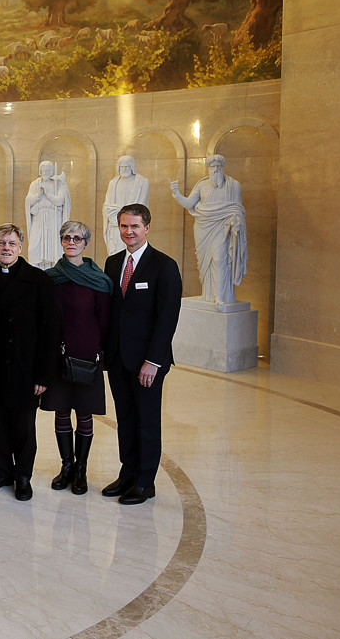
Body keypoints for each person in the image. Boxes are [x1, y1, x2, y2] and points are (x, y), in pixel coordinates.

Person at [102, 204, 182, 505]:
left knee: (146, 421)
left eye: (134, 226)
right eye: (124, 226)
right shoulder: (112, 264)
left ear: (147, 228)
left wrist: (154, 361)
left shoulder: (164, 265)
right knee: (125, 418)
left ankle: (145, 482)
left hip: (148, 362)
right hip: (119, 359)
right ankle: (128, 473)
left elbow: (167, 318)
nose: (129, 232)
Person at [0, 224, 56, 501]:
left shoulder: (39, 280)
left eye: (11, 243)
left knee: (23, 426)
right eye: (1, 243)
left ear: (21, 247)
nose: (6, 248)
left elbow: (50, 331)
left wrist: (43, 375)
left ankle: (23, 475)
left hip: (24, 366)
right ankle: (1, 470)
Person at [40, 220, 112, 495]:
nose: (72, 242)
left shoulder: (99, 281)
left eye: (77, 238)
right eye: (67, 237)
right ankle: (66, 466)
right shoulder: (51, 278)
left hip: (86, 357)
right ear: (61, 241)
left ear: (86, 243)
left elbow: (104, 321)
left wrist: (101, 354)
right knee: (61, 411)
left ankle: (81, 469)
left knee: (83, 413)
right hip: (57, 355)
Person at [170, 154, 248, 305]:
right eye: (212, 167)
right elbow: (188, 203)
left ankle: (219, 296)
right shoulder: (202, 185)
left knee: (220, 259)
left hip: (223, 227)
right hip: (203, 228)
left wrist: (237, 222)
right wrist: (176, 193)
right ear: (208, 169)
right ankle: (208, 294)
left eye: (218, 167)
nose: (215, 170)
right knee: (205, 263)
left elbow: (237, 209)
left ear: (223, 167)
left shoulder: (234, 185)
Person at [102, 156, 150, 258]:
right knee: (115, 255)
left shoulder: (142, 182)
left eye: (126, 167)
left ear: (132, 167)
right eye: (121, 167)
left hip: (132, 224)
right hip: (115, 224)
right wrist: (112, 214)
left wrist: (123, 212)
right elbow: (107, 204)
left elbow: (141, 207)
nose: (123, 170)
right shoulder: (113, 183)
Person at [25, 161, 71, 270]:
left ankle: (54, 268)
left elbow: (60, 200)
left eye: (47, 170)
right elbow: (29, 201)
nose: (45, 172)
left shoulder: (58, 183)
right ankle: (35, 270)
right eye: (43, 170)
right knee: (34, 245)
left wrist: (48, 194)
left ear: (51, 171)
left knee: (53, 244)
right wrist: (38, 195)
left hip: (53, 217)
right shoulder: (35, 184)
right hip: (39, 217)